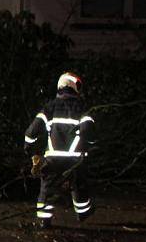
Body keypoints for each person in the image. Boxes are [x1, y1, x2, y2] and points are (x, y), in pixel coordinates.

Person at [23, 72, 96, 229]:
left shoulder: (49, 107)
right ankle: (82, 214)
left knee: (46, 188)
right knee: (79, 185)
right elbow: (89, 132)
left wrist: (29, 148)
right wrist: (90, 144)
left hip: (53, 159)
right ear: (74, 87)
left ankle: (44, 221)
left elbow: (31, 132)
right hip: (75, 159)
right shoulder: (82, 108)